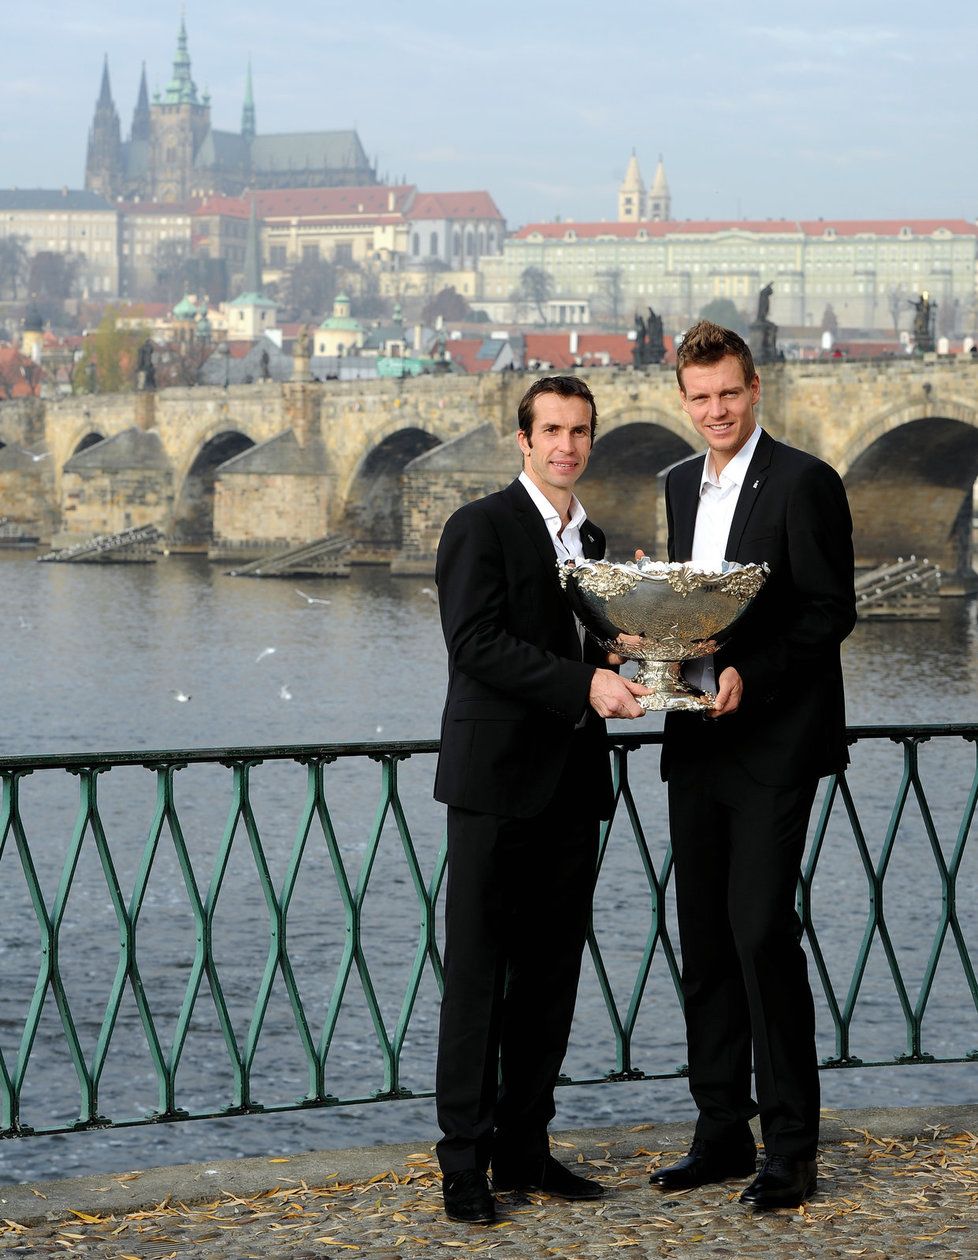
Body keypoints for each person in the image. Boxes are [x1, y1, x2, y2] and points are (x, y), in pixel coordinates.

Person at [433, 375, 650, 1224]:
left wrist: (628, 640)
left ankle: (526, 1149)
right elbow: (477, 644)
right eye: (552, 430)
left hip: (569, 785)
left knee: (552, 980)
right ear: (522, 440)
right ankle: (464, 1167)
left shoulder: (589, 536)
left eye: (581, 432)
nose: (567, 445)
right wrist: (586, 684)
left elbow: (580, 643)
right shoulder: (479, 526)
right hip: (494, 787)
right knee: (479, 980)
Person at [648, 321, 855, 1210]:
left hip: (773, 740)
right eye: (700, 398)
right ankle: (721, 1133)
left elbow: (829, 611)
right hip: (695, 738)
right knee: (704, 939)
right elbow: (690, 611)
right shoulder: (676, 484)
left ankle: (792, 1151)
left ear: (754, 388)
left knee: (761, 932)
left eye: (728, 393)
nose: (716, 411)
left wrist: (749, 672)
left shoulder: (806, 481)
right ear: (683, 400)